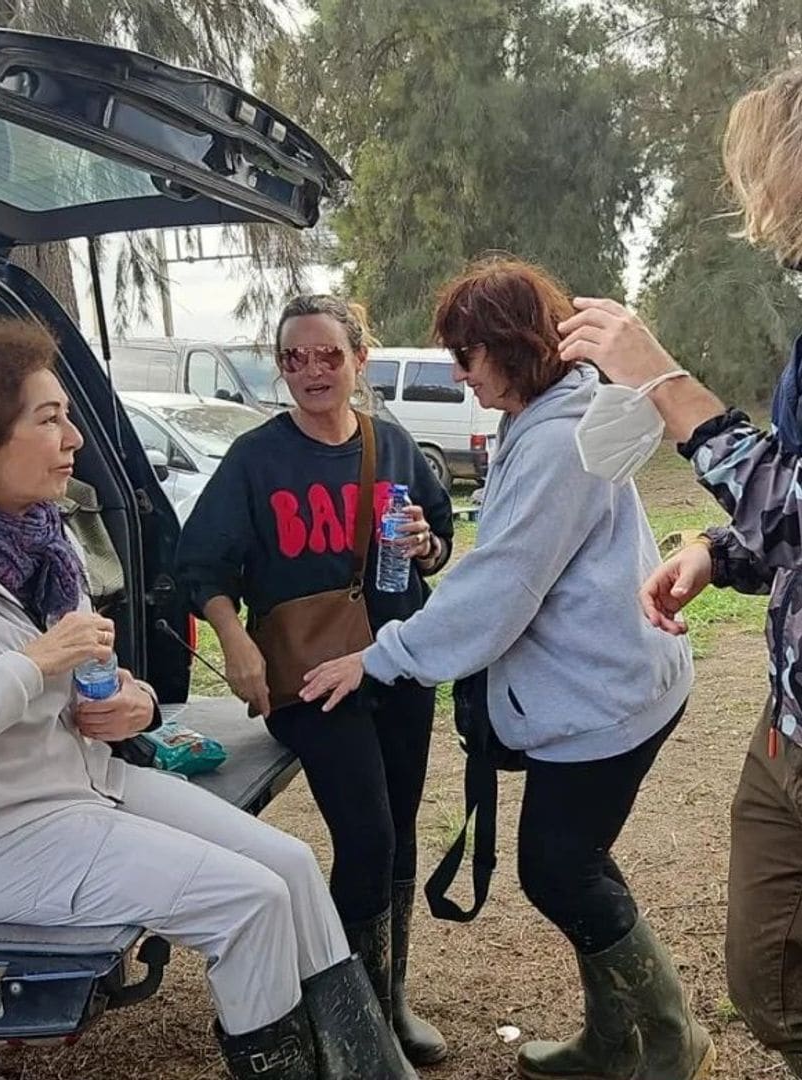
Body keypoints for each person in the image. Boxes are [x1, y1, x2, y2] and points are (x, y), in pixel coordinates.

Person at [0, 314, 417, 1080]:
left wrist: (130, 704)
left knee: (293, 866)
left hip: (74, 785)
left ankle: (365, 1067)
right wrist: (32, 666)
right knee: (250, 903)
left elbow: (83, 682)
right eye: (51, 419)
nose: (74, 439)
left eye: (69, 417)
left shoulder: (36, 541)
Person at [302, 258, 715, 1080]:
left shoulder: (560, 437)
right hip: (619, 673)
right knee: (578, 860)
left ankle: (671, 1040)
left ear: (515, 348)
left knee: (559, 867)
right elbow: (509, 565)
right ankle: (610, 1040)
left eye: (469, 353)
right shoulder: (552, 416)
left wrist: (381, 658)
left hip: (610, 692)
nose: (459, 372)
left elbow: (503, 587)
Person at [555, 67, 802, 1080]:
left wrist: (661, 381)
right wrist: (717, 549)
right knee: (768, 980)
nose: (763, 204)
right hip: (788, 724)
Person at [176, 294, 454, 1068]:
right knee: (364, 837)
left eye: (328, 355)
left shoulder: (392, 446)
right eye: (293, 357)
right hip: (308, 679)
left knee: (398, 834)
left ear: (359, 360)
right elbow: (200, 566)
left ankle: (388, 999)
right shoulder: (258, 459)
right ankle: (351, 1027)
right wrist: (236, 642)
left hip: (397, 662)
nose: (311, 371)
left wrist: (426, 544)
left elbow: (437, 546)